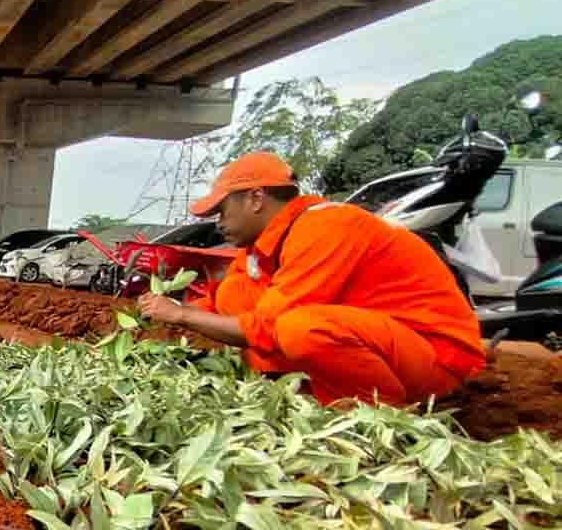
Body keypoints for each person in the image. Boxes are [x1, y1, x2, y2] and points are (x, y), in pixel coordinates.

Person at [137, 152, 484, 406]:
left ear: (256, 198)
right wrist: (161, 325)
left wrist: (182, 315)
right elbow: (219, 306)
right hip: (379, 342)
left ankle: (374, 413)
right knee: (234, 293)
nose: (218, 223)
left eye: (222, 211)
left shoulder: (325, 227)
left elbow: (268, 328)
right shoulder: (265, 244)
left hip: (436, 357)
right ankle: (293, 383)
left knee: (299, 329)